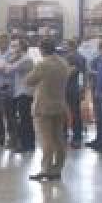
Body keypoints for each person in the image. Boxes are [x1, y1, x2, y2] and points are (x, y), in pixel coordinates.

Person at [25, 39, 71, 182]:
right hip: (60, 105)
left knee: (46, 140)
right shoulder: (64, 63)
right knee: (59, 138)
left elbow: (29, 80)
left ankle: (46, 170)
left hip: (43, 106)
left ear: (41, 50)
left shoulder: (43, 64)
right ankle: (58, 169)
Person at [62, 39, 87, 149]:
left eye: (65, 45)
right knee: (69, 112)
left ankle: (76, 137)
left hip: (72, 89)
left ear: (71, 46)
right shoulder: (71, 57)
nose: (63, 47)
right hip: (70, 88)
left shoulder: (75, 57)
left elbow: (76, 72)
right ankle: (67, 134)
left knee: (74, 112)